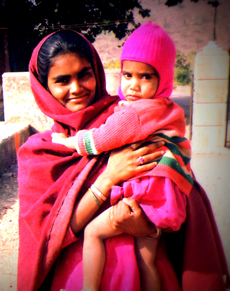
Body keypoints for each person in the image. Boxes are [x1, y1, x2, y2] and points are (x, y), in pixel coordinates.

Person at [17, 28, 230, 291]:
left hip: (147, 270)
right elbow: (48, 236)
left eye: (84, 74)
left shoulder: (129, 118)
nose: (77, 88)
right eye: (62, 80)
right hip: (79, 276)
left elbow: (175, 191)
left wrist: (149, 228)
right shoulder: (40, 154)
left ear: (96, 71)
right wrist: (108, 178)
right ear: (44, 87)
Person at [51, 22, 190, 291]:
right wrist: (110, 176)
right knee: (146, 260)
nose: (134, 86)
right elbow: (48, 233)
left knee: (95, 232)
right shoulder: (167, 110)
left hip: (142, 201)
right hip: (161, 205)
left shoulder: (131, 113)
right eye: (128, 75)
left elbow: (100, 139)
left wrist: (67, 141)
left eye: (146, 77)